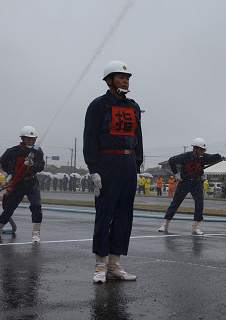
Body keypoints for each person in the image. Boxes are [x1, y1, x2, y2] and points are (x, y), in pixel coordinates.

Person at [83, 60, 143, 284]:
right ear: (109, 81)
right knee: (105, 214)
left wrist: (137, 165)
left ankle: (114, 263)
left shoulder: (133, 106)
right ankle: (100, 263)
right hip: (107, 162)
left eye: (127, 78)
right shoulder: (98, 105)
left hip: (128, 163)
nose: (125, 81)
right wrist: (93, 169)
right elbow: (90, 138)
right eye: (121, 77)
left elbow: (138, 138)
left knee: (124, 216)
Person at [0, 126, 45, 242]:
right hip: (18, 182)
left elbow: (41, 167)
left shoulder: (37, 151)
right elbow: (3, 161)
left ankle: (36, 232)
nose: (32, 141)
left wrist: (33, 164)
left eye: (33, 139)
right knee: (10, 206)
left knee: (36, 206)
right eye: (29, 139)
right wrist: (11, 174)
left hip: (32, 182)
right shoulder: (14, 151)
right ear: (23, 138)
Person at [158, 138, 223, 235]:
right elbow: (171, 160)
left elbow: (213, 157)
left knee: (199, 203)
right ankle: (165, 224)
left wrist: (222, 157)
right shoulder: (185, 156)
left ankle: (195, 226)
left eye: (204, 150)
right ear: (195, 149)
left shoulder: (203, 157)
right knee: (175, 202)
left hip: (197, 182)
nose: (203, 152)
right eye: (201, 150)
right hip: (185, 182)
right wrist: (176, 174)